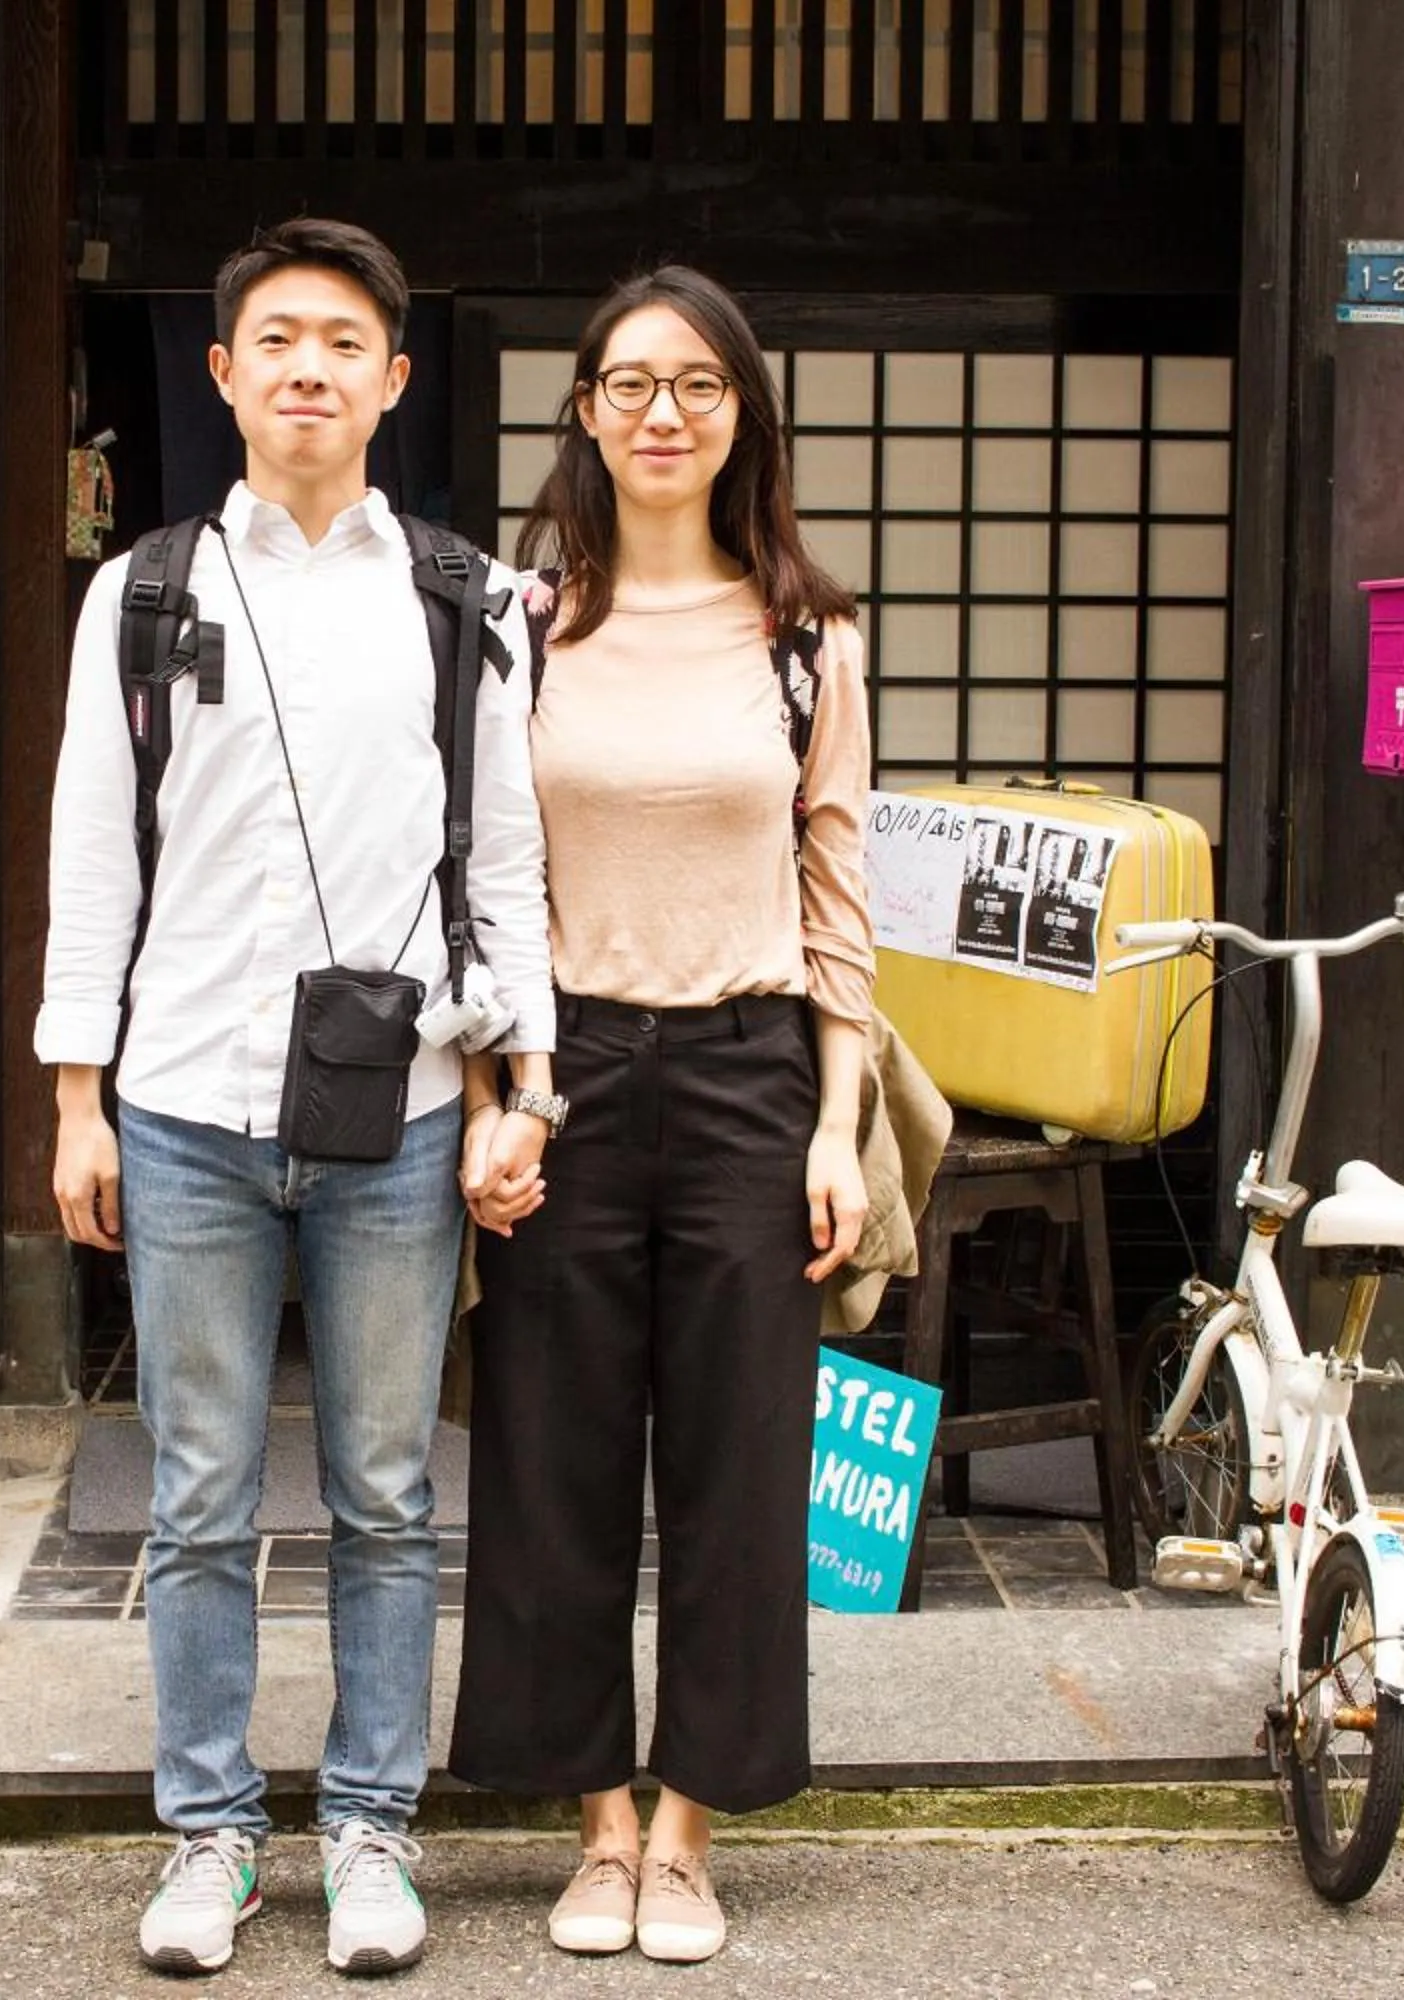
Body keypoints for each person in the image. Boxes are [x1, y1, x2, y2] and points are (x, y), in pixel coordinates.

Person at [36, 217, 556, 1978]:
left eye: (345, 341)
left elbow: (508, 867)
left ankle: (369, 1830)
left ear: (395, 380)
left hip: (399, 1114)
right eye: (278, 338)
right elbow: (91, 862)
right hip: (180, 1101)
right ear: (226, 372)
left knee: (390, 1494)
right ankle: (206, 1836)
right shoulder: (145, 588)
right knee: (194, 1494)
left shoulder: (471, 599)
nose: (311, 367)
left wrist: (516, 1082)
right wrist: (73, 1096)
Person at [446, 265, 874, 1966]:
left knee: (739, 1463)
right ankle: (594, 1823)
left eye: (698, 385)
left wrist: (838, 1125)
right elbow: (479, 881)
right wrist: (497, 1097)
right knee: (548, 1453)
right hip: (566, 1070)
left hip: (753, 1069)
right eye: (629, 385)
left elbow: (840, 893)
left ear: (744, 414)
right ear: (584, 415)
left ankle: (690, 1828)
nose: (663, 415)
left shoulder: (809, 639)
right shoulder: (521, 622)